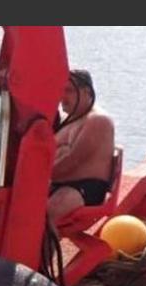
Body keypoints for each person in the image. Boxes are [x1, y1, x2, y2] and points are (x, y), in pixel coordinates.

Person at [48, 69, 116, 222]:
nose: (62, 97)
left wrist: (38, 175)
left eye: (69, 91)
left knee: (45, 216)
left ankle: (46, 245)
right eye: (61, 91)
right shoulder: (69, 121)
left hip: (84, 188)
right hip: (59, 183)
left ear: (86, 92)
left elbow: (72, 160)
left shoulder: (97, 120)